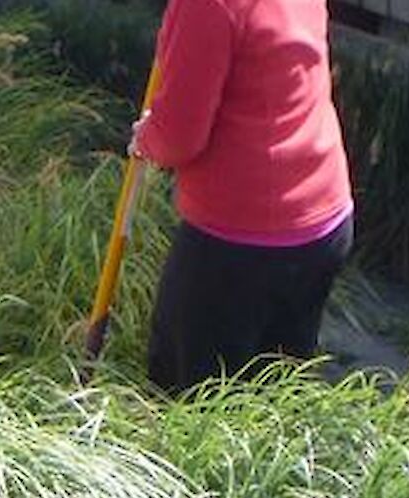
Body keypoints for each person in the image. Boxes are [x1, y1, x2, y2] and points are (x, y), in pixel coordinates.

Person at [130, 0, 355, 395]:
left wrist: (147, 138)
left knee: (191, 396)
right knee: (277, 390)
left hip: (240, 238)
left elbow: (180, 137)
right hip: (322, 217)